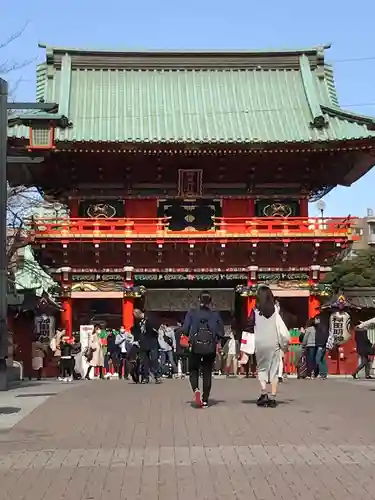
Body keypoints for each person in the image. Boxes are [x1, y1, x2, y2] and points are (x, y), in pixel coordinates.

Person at [246, 285, 290, 407]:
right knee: (274, 370)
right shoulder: (275, 310)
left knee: (262, 368)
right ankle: (273, 397)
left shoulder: (255, 311)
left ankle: (264, 393)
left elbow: (249, 326)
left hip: (260, 342)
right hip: (274, 342)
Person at [183, 290, 224, 408]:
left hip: (195, 346)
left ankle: (196, 389)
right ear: (210, 301)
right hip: (210, 347)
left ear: (199, 300)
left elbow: (185, 329)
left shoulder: (192, 313)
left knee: (193, 370)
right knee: (207, 373)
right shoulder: (215, 315)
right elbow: (221, 332)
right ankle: (205, 400)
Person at [131, 309, 161, 384]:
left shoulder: (150, 317)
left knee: (154, 359)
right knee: (144, 361)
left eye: (135, 315)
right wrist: (136, 340)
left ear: (138, 314)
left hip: (152, 341)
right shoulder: (137, 321)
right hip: (143, 342)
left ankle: (157, 376)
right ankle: (145, 377)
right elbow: (136, 331)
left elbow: (155, 328)